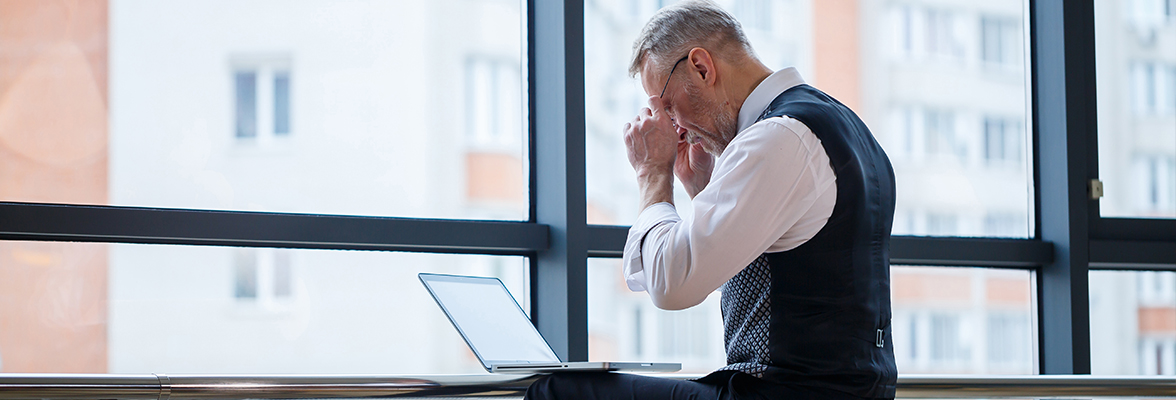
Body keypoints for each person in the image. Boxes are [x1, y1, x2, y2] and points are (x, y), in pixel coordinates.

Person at [525, 1, 897, 399]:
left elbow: (672, 287)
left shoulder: (777, 138)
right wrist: (700, 186)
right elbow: (774, 269)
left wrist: (653, 172)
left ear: (702, 67)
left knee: (559, 391)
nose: (674, 126)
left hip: (784, 392)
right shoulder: (841, 126)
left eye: (668, 106)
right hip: (848, 389)